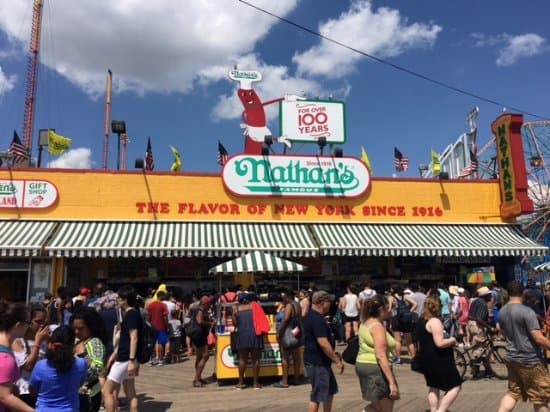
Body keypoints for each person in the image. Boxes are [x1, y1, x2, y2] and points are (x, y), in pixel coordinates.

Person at [497, 280, 550, 412]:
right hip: (530, 361)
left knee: (513, 393)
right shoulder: (527, 312)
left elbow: (503, 332)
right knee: (539, 397)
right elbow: (538, 338)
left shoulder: (502, 311)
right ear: (523, 293)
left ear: (508, 293)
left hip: (512, 358)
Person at [416, 294, 462, 412]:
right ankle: (441, 410)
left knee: (434, 385)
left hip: (426, 357)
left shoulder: (421, 320)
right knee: (455, 386)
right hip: (438, 358)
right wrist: (452, 340)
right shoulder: (434, 321)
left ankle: (433, 409)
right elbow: (440, 343)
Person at [355, 294, 399, 412]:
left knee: (376, 406)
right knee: (386, 408)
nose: (390, 310)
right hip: (376, 368)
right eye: (387, 307)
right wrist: (391, 382)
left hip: (363, 365)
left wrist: (389, 304)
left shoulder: (365, 322)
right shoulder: (377, 326)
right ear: (381, 310)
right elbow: (380, 355)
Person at [303, 290, 344, 412]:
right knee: (317, 395)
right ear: (321, 303)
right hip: (317, 363)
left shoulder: (315, 316)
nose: (330, 304)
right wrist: (336, 360)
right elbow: (323, 342)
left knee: (329, 391)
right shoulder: (316, 319)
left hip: (321, 362)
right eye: (328, 301)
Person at [29, 325, 87, 412]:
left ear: (51, 344)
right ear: (72, 345)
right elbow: (80, 383)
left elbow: (32, 391)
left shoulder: (41, 366)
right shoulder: (81, 364)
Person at [102, 285, 142, 412]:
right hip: (127, 358)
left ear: (125, 299)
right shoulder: (133, 313)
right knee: (131, 394)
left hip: (125, 359)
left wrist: (130, 360)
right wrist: (115, 352)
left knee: (106, 391)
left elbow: (133, 337)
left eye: (119, 298)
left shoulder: (131, 315)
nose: (117, 300)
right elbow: (126, 339)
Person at [12, 306, 50, 408]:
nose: (41, 325)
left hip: (42, 391)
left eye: (44, 322)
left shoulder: (46, 341)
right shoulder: (18, 341)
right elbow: (28, 367)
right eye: (38, 321)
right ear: (29, 322)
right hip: (25, 391)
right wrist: (37, 342)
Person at [71, 307, 107, 412]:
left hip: (88, 395)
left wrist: (83, 354)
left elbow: (98, 369)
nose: (76, 331)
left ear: (91, 327)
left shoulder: (95, 343)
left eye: (81, 328)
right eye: (74, 328)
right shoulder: (77, 340)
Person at [0, 300, 34, 412]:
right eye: (28, 322)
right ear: (18, 325)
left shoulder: (6, 349)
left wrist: (11, 386)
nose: (30, 326)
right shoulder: (5, 358)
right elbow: (5, 397)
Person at [232, 293, 264, 390]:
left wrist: (234, 313)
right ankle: (255, 383)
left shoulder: (237, 309)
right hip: (255, 335)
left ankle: (240, 383)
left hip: (242, 336)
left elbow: (235, 323)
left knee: (242, 360)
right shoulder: (255, 307)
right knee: (256, 360)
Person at [274, 289, 304, 388]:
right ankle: (296, 378)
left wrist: (279, 332)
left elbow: (285, 319)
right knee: (296, 357)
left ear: (287, 296)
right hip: (296, 333)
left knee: (285, 357)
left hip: (287, 333)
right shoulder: (297, 304)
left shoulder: (289, 306)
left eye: (284, 297)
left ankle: (284, 381)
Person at [467, 286, 493, 378]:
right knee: (479, 349)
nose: (491, 296)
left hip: (471, 324)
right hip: (477, 326)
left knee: (482, 348)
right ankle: (475, 370)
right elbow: (479, 318)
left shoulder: (475, 301)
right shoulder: (482, 303)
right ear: (485, 296)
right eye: (489, 295)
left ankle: (487, 370)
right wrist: (489, 327)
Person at [388, 285, 416, 364]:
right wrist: (409, 312)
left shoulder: (391, 298)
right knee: (409, 341)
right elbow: (415, 304)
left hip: (396, 319)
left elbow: (390, 309)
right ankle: (413, 358)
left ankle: (398, 358)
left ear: (393, 290)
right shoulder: (405, 296)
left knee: (397, 340)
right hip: (406, 319)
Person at [190, 295, 213, 388]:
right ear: (206, 303)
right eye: (209, 304)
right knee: (205, 356)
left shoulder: (196, 308)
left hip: (196, 335)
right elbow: (199, 321)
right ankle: (196, 379)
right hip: (200, 335)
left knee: (199, 357)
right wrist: (210, 323)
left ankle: (198, 377)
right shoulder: (200, 309)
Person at [146, 290, 169, 366]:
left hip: (152, 326)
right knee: (161, 343)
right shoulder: (163, 305)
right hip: (161, 326)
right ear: (162, 296)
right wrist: (167, 325)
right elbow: (165, 317)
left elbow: (148, 317)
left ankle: (151, 360)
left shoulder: (150, 305)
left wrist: (150, 324)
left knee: (151, 344)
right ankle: (160, 360)